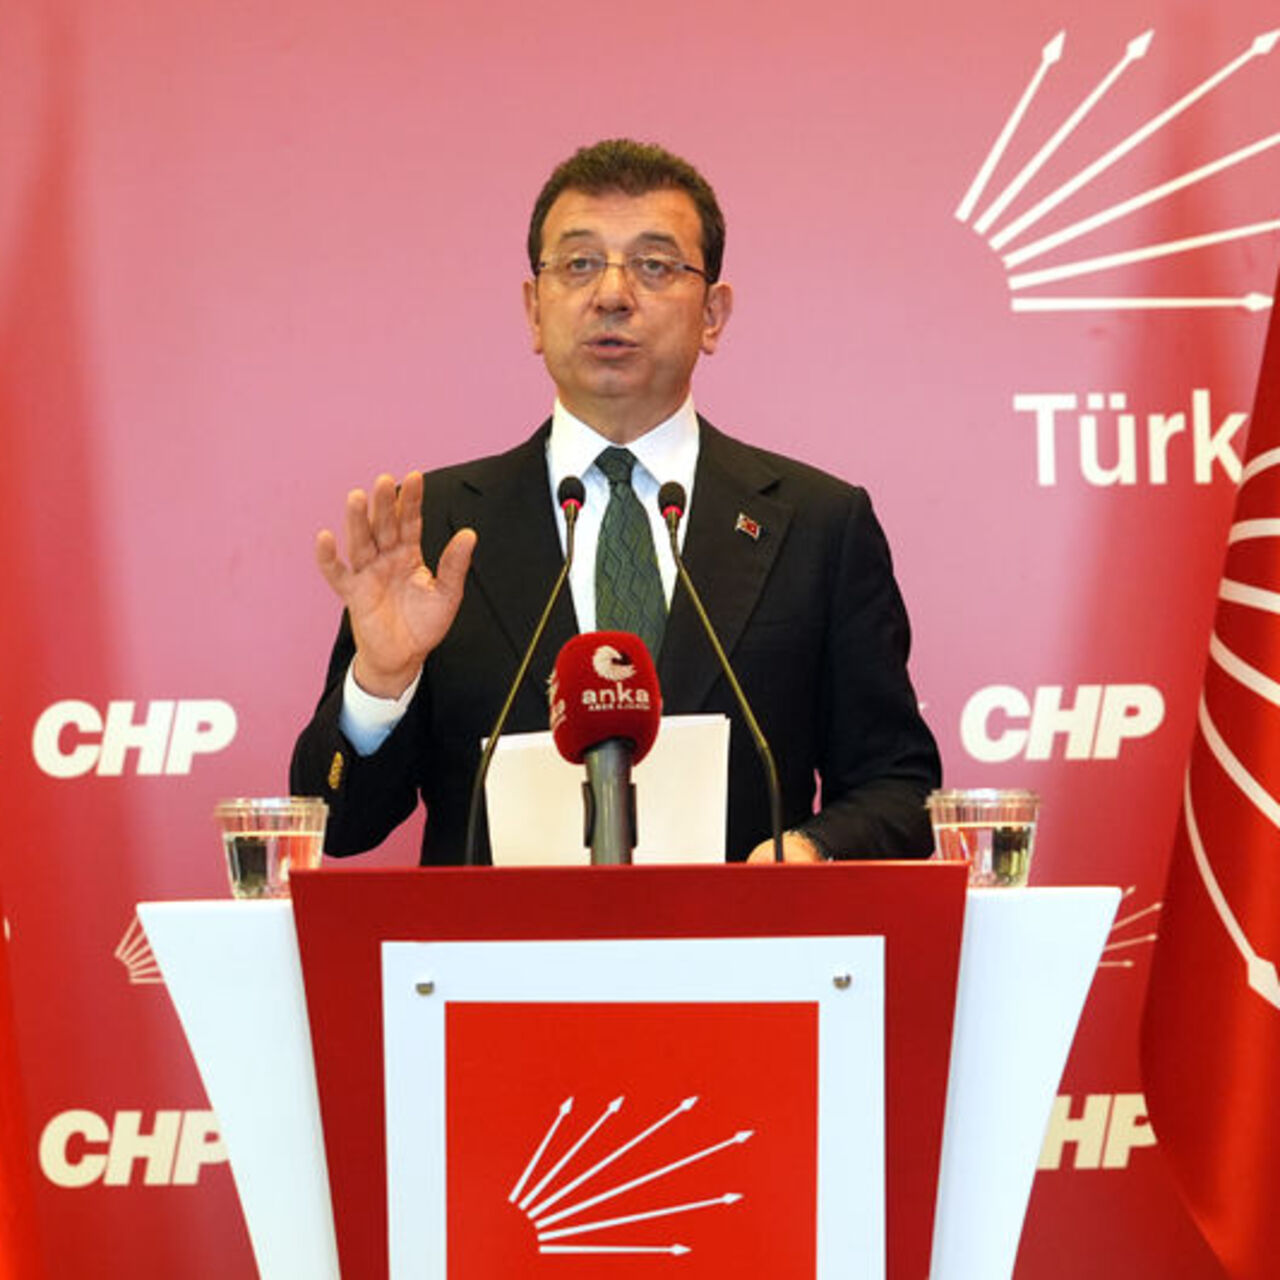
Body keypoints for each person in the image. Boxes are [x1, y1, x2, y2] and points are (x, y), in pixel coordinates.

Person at [290, 138, 940, 865]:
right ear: (534, 311)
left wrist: (809, 851)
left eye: (654, 265)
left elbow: (899, 788)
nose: (612, 294)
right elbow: (337, 826)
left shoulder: (818, 525)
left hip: (740, 938)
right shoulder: (439, 531)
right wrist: (382, 681)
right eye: (578, 264)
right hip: (501, 943)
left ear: (713, 313)